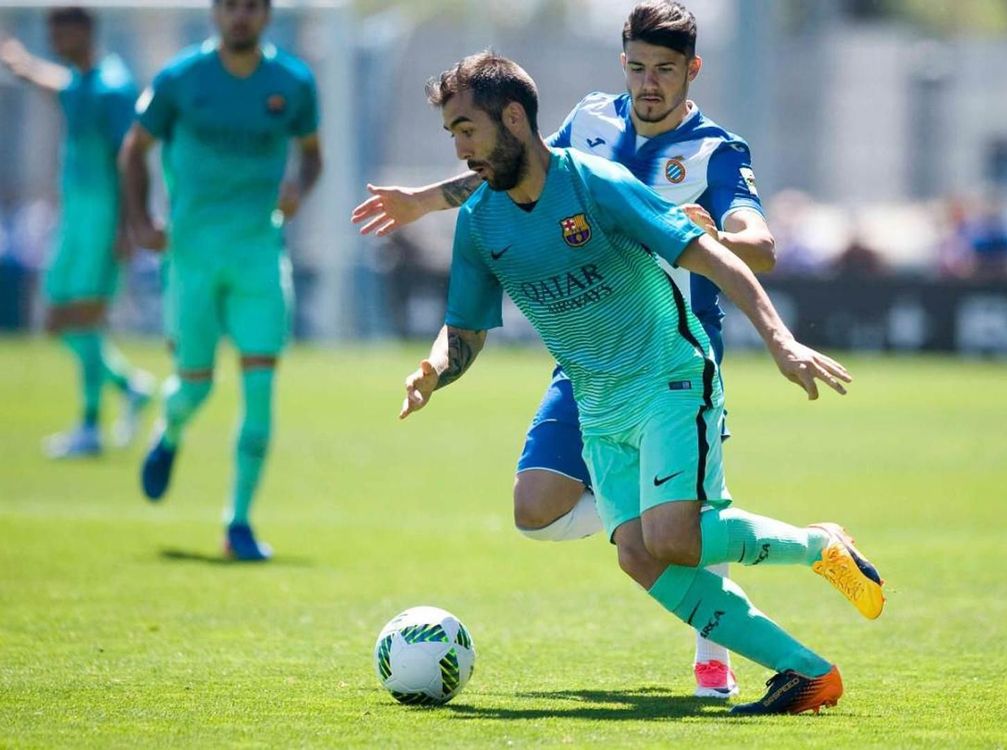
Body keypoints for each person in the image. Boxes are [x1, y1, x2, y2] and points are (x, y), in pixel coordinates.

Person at [400, 51, 885, 716]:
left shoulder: (594, 184)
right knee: (639, 553)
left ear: (513, 118)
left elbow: (710, 253)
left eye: (467, 130)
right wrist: (432, 370)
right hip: (596, 403)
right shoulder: (481, 221)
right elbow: (466, 329)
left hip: (668, 376)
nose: (460, 149)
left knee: (672, 539)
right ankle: (808, 673)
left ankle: (817, 548)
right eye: (452, 134)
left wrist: (780, 339)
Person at [352, 0, 777, 699]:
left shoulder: (715, 153)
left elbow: (759, 246)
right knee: (537, 509)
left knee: (683, 524)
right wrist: (425, 202)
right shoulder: (590, 121)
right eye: (638, 67)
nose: (649, 83)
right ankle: (646, 520)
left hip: (673, 350)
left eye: (665, 71)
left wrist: (710, 238)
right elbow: (512, 168)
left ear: (691, 71)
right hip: (585, 354)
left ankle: (714, 655)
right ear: (623, 63)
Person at [120, 0, 322, 560]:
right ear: (215, 13)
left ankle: (239, 522)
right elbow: (134, 148)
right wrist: (139, 220)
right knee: (195, 386)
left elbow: (312, 155)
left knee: (260, 388)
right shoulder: (181, 78)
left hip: (260, 253)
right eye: (231, 6)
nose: (240, 16)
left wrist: (298, 191)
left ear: (266, 15)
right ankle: (171, 428)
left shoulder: (293, 82)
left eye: (252, 7)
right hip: (191, 258)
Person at [1, 8, 154, 458]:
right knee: (56, 319)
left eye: (60, 32)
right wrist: (24, 65)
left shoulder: (113, 87)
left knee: (84, 317)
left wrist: (128, 225)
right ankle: (128, 386)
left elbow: (130, 158)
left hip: (102, 218)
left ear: (83, 32)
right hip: (74, 217)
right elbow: (59, 86)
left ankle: (90, 425)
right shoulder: (82, 81)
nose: (55, 40)